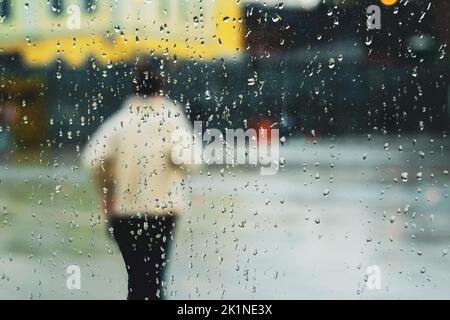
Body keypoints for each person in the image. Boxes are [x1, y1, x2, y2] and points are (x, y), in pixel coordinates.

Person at [81, 59, 196, 300]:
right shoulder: (171, 119)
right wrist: (171, 159)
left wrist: (108, 189)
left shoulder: (119, 121)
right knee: (155, 280)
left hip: (125, 212)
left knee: (136, 279)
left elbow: (92, 159)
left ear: (135, 88)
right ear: (162, 87)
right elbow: (192, 159)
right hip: (163, 212)